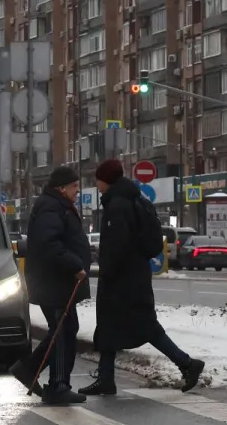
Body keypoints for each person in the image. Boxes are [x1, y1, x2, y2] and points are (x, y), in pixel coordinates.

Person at [82, 158, 205, 396]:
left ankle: (188, 364)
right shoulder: (133, 199)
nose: (97, 184)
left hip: (123, 280)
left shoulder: (117, 205)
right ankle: (106, 379)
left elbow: (117, 245)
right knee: (110, 328)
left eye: (98, 179)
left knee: (145, 328)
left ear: (106, 180)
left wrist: (107, 270)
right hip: (132, 276)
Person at [12, 166, 90, 404]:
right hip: (54, 283)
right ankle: (57, 385)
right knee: (62, 332)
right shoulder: (51, 207)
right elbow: (49, 245)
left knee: (65, 330)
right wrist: (75, 264)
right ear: (61, 188)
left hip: (58, 282)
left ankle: (30, 370)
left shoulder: (57, 206)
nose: (78, 191)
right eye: (74, 187)